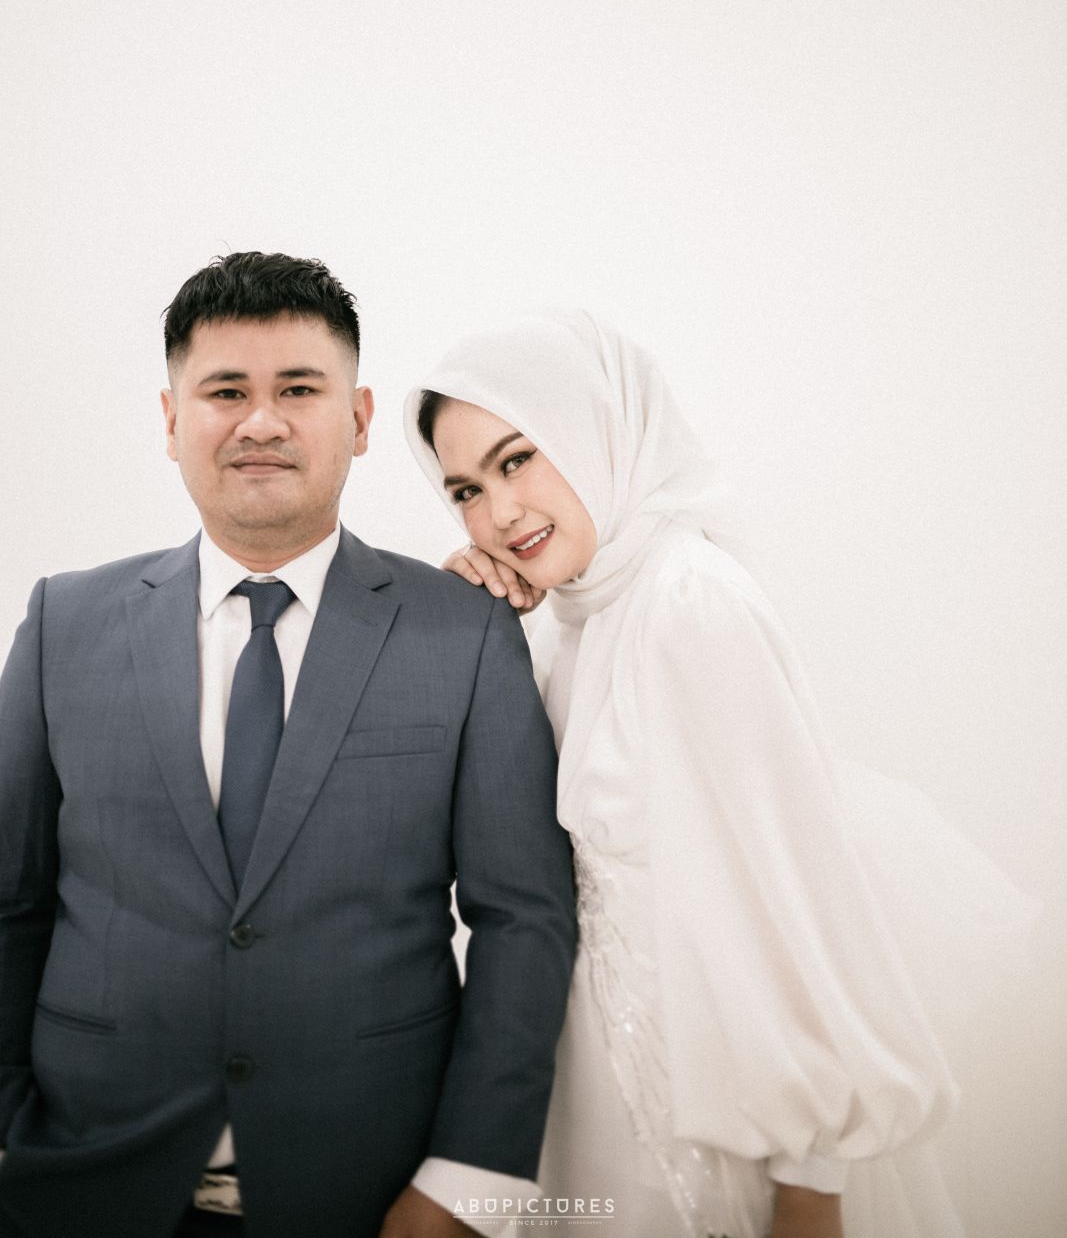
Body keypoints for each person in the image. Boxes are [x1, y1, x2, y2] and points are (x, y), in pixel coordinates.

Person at [405, 308, 1035, 1238]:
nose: (497, 513)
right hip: (599, 1097)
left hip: (709, 1126)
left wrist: (808, 1185)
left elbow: (792, 899)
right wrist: (474, 624)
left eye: (517, 460)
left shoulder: (690, 603)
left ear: (596, 428)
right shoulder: (581, 620)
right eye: (465, 489)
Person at [0, 253, 577, 1238]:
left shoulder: (463, 629)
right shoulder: (65, 622)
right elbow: (11, 899)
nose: (260, 421)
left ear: (357, 419)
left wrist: (467, 1183)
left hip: (375, 1189)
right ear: (172, 419)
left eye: (298, 390)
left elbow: (522, 917)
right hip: (78, 1181)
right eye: (225, 391)